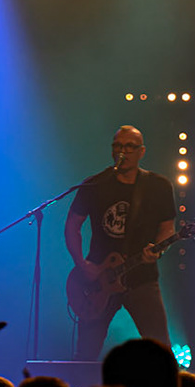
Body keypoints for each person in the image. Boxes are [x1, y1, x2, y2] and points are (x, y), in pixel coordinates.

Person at [66, 125, 178, 358]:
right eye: (117, 146)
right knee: (85, 353)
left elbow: (167, 229)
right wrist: (81, 264)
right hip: (98, 280)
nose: (122, 152)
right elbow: (72, 226)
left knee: (160, 353)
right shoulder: (94, 185)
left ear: (141, 151)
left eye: (129, 147)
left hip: (141, 278)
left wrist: (157, 250)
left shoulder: (158, 186)